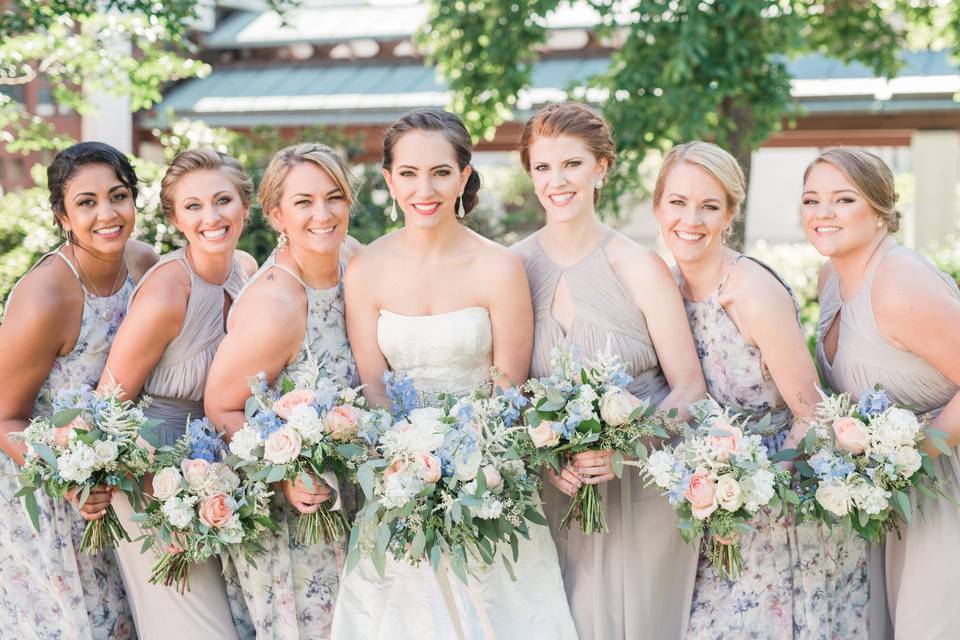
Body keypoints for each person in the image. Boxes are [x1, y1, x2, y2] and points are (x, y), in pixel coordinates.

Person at [331, 108, 577, 640]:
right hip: (398, 482)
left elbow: (508, 389)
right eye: (410, 173)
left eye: (441, 172)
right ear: (389, 180)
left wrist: (469, 469)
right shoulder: (366, 269)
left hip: (489, 477)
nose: (426, 188)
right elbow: (374, 388)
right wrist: (409, 471)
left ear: (464, 177)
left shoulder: (499, 267)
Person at [652, 140, 870, 638]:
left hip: (778, 504)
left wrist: (755, 494)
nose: (691, 220)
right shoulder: (663, 286)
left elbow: (812, 412)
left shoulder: (751, 292)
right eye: (678, 203)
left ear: (730, 214)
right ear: (657, 206)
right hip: (712, 505)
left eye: (710, 206)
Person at [510, 102, 706, 640]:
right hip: (557, 489)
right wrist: (546, 455)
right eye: (543, 167)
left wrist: (622, 446)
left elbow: (690, 386)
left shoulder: (638, 265)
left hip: (641, 484)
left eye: (572, 164)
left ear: (601, 168)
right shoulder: (513, 267)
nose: (557, 181)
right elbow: (506, 391)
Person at [99, 149, 258, 639]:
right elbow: (109, 408)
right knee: (196, 627)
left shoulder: (246, 269)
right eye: (192, 207)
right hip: (151, 480)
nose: (211, 218)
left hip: (216, 474)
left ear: (245, 207)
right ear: (174, 218)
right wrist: (161, 498)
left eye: (222, 200)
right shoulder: (170, 289)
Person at [0, 141, 156, 638]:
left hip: (125, 490)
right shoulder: (46, 296)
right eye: (86, 202)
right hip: (51, 494)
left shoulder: (145, 264)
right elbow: (5, 417)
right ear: (62, 216)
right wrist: (67, 480)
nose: (107, 214)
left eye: (118, 195)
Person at [205, 142, 357, 638]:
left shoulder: (353, 261)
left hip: (358, 500)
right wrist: (284, 474)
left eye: (334, 197)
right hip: (298, 524)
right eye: (304, 202)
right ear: (276, 214)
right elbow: (222, 406)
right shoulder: (276, 304)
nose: (323, 214)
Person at [807, 147, 960, 640]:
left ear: (878, 211)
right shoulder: (829, 277)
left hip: (941, 486)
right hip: (883, 494)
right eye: (811, 200)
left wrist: (913, 455)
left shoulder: (898, 281)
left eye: (842, 199)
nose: (822, 213)